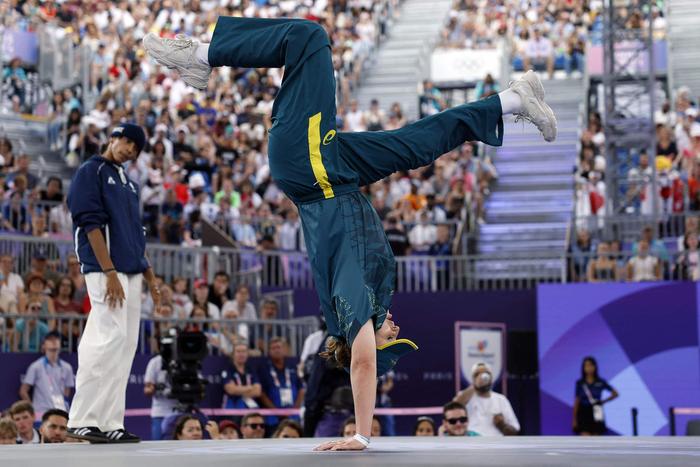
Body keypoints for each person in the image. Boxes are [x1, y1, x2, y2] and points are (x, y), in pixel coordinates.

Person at [145, 18, 556, 451]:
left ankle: (198, 57)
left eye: (391, 337)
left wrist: (361, 433)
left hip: (312, 169)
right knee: (416, 144)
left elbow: (362, 363)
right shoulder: (368, 298)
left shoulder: (352, 307)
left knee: (308, 37)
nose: (396, 327)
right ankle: (512, 100)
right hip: (336, 174)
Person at [65, 123, 161, 444]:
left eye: (137, 146)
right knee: (107, 336)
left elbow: (135, 235)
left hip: (131, 270)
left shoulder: (130, 184)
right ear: (113, 138)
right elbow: (89, 223)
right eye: (127, 141)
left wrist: (151, 278)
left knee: (125, 345)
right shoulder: (90, 172)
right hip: (105, 269)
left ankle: (109, 421)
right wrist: (108, 273)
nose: (130, 149)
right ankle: (82, 418)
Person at [453, 362, 520, 436]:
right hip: (472, 442)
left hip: (496, 443)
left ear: (491, 377)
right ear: (473, 379)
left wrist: (502, 425)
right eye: (477, 374)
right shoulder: (466, 396)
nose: (483, 376)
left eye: (486, 373)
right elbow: (454, 407)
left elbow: (515, 429)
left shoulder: (501, 399)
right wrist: (476, 385)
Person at [19, 332, 75, 413]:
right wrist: (32, 409)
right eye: (50, 350)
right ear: (44, 347)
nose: (53, 352)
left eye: (56, 349)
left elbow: (67, 391)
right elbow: (23, 391)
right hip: (41, 411)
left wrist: (64, 406)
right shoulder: (36, 366)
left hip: (60, 411)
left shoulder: (67, 367)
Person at [573, 356, 619, 436]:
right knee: (585, 439)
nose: (589, 368)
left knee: (597, 438)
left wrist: (604, 401)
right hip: (583, 410)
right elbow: (577, 400)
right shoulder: (580, 383)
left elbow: (615, 393)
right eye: (586, 365)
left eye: (591, 365)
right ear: (583, 368)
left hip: (597, 409)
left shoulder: (601, 381)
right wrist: (574, 419)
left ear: (595, 366)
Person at [144, 352, 177, 440]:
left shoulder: (186, 358)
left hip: (183, 412)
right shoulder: (155, 362)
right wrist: (154, 388)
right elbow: (147, 389)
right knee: (159, 446)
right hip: (160, 413)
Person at [222, 341, 262, 410]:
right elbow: (231, 390)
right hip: (232, 406)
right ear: (233, 354)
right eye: (238, 351)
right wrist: (250, 388)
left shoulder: (251, 370)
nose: (241, 354)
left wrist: (238, 390)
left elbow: (258, 391)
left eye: (244, 351)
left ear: (247, 354)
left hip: (250, 405)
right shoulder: (228, 369)